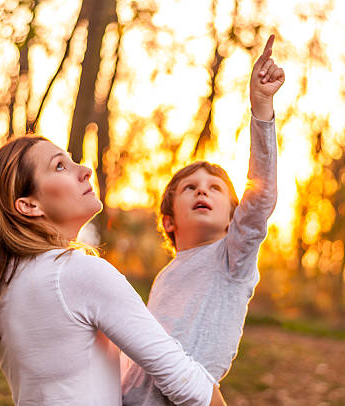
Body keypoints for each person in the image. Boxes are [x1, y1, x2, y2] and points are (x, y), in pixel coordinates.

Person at [0, 134, 227, 405]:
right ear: (28, 205)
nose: (85, 170)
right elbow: (186, 383)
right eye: (59, 166)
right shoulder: (77, 272)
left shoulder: (6, 285)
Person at [121, 35, 284, 405]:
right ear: (168, 221)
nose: (202, 192)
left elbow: (261, 197)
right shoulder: (166, 275)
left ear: (233, 217)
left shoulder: (233, 258)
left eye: (214, 189)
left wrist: (261, 107)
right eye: (190, 188)